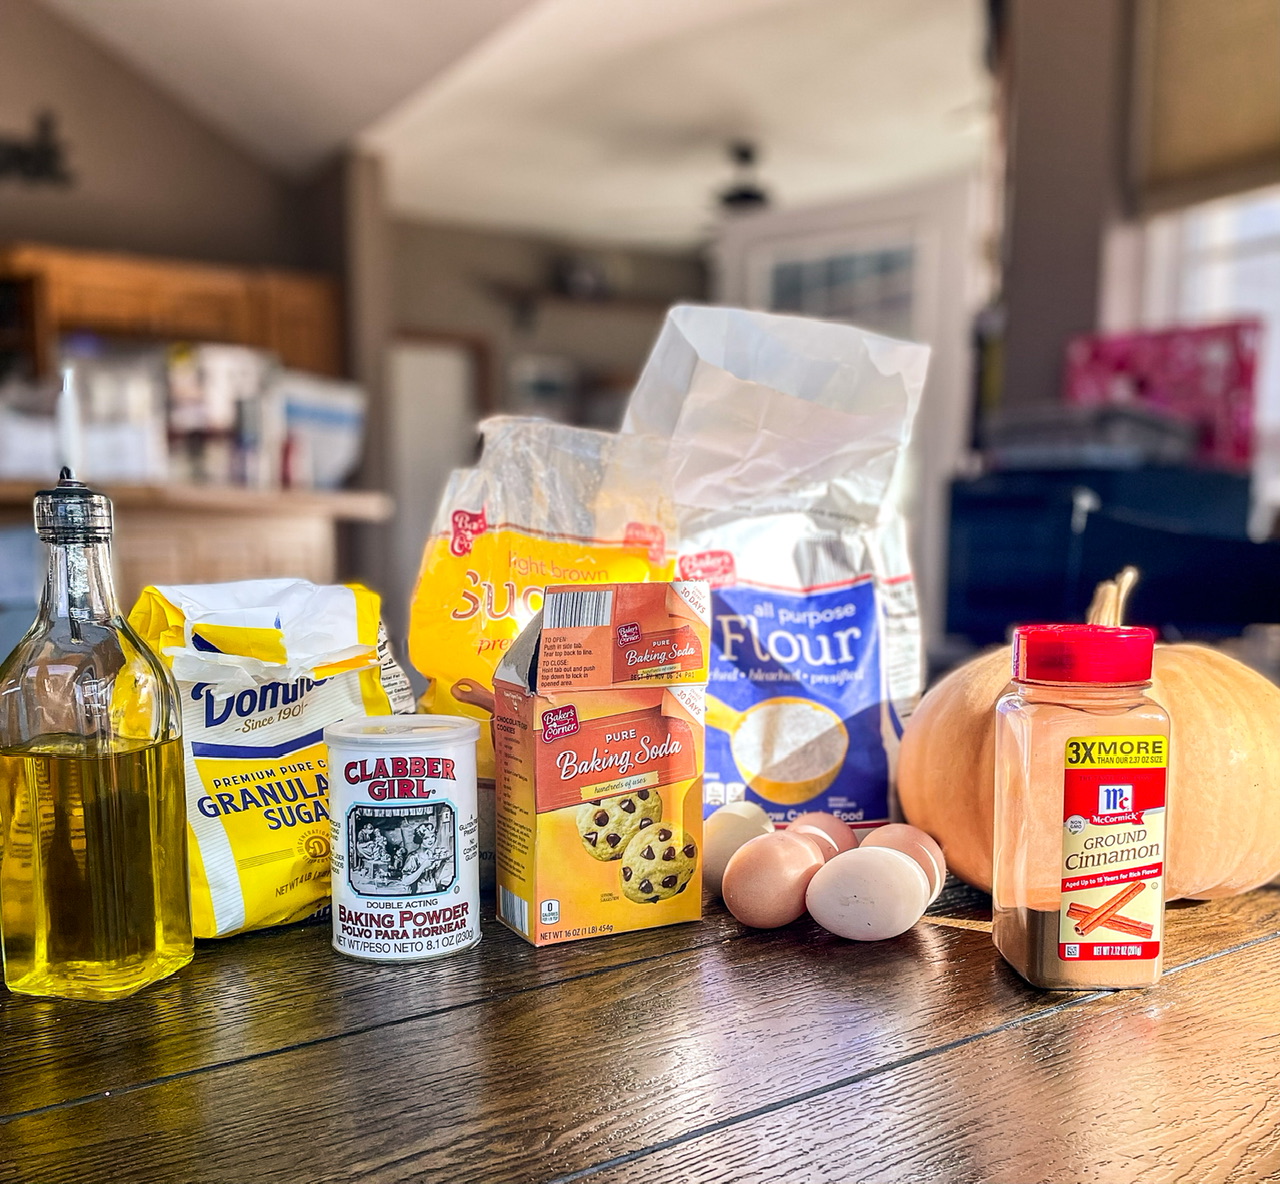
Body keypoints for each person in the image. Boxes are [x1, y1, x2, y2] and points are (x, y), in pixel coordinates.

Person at [399, 814, 454, 894]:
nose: (430, 840)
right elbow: (405, 881)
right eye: (426, 838)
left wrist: (443, 862)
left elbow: (435, 876)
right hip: (419, 892)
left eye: (432, 836)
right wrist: (423, 867)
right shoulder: (413, 857)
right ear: (420, 839)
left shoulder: (430, 854)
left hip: (432, 889)